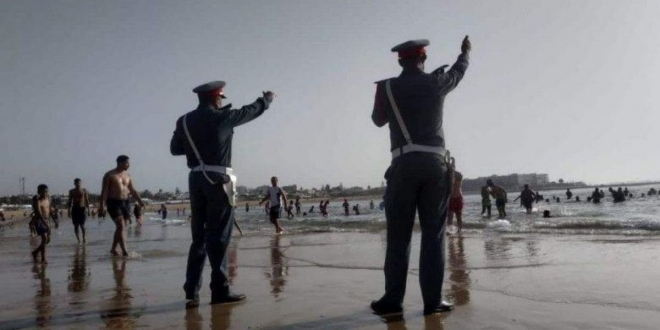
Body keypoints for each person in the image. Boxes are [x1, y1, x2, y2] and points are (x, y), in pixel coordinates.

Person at [370, 36, 470, 316]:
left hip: (402, 165)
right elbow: (459, 71)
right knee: (433, 236)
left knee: (398, 237)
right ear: (423, 59)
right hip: (435, 166)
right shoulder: (437, 83)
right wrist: (465, 53)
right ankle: (432, 302)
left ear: (400, 60)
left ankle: (392, 300)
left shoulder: (386, 87)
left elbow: (378, 120)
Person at [170, 80, 275, 307]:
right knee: (219, 237)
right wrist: (266, 100)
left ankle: (192, 292)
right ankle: (220, 290)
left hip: (195, 178)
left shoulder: (184, 121)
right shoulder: (222, 118)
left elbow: (175, 149)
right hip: (218, 179)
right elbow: (251, 111)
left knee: (198, 238)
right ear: (217, 98)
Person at [99, 155, 145, 257]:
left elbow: (133, 190)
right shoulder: (109, 175)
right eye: (127, 163)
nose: (129, 165)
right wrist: (102, 206)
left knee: (120, 227)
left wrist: (141, 202)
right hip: (113, 202)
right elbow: (104, 192)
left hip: (126, 202)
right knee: (121, 226)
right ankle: (125, 251)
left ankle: (113, 249)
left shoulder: (128, 176)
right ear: (120, 162)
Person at [31, 184, 51, 263]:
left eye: (46, 192)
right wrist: (46, 224)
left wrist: (53, 220)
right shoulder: (38, 201)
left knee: (47, 240)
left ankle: (35, 252)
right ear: (39, 192)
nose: (45, 194)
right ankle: (43, 258)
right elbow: (39, 214)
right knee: (44, 239)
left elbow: (49, 210)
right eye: (43, 192)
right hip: (40, 221)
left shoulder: (48, 199)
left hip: (47, 219)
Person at [67, 178, 90, 244]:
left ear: (81, 183)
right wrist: (68, 211)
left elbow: (87, 200)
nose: (78, 184)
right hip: (75, 209)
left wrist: (88, 210)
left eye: (79, 183)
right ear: (74, 183)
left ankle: (84, 238)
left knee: (82, 225)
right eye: (76, 183)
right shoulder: (71, 191)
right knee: (76, 226)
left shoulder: (84, 190)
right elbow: (69, 202)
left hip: (82, 208)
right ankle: (78, 239)